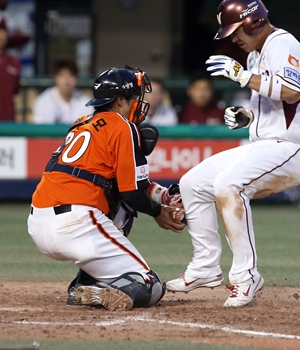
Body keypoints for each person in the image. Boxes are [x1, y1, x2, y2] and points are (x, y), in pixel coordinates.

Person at [165, 0, 300, 307]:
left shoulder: (283, 43)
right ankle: (206, 267)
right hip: (266, 144)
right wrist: (248, 116)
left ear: (253, 22)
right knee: (193, 183)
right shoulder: (255, 54)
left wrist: (242, 76)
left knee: (228, 185)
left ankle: (245, 276)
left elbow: (292, 91)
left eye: (234, 31)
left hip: (294, 147)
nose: (232, 39)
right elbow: (272, 103)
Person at [28, 66, 186, 311]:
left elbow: (131, 184)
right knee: (149, 285)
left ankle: (86, 282)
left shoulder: (80, 123)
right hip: (77, 224)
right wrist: (158, 212)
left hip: (37, 222)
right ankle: (99, 287)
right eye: (134, 98)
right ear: (120, 100)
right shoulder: (122, 126)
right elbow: (132, 193)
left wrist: (162, 195)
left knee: (115, 196)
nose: (138, 103)